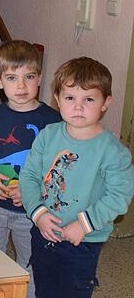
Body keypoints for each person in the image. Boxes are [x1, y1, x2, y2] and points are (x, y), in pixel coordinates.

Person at [21, 57, 134, 298]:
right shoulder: (47, 135)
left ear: (106, 102)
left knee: (74, 291)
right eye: (70, 98)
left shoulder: (114, 152)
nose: (78, 107)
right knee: (44, 287)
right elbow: (29, 176)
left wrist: (84, 224)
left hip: (83, 241)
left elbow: (118, 196)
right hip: (43, 232)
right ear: (57, 99)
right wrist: (37, 212)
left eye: (89, 99)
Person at [0, 41, 60, 298]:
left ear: (40, 79)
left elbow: (57, 169)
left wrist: (34, 192)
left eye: (29, 77)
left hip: (33, 211)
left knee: (32, 260)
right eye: (12, 78)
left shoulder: (52, 121)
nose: (21, 86)